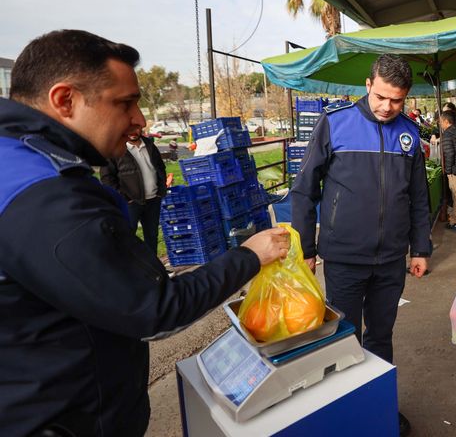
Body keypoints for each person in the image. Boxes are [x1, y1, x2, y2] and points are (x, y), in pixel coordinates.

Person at [0, 30, 288, 437]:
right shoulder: (49, 198)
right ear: (64, 100)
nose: (139, 120)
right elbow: (155, 312)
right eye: (125, 103)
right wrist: (250, 256)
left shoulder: (14, 159)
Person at [290, 53, 432, 436]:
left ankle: (380, 407)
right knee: (344, 338)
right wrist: (306, 247)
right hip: (343, 259)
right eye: (382, 97)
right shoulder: (335, 124)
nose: (388, 107)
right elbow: (304, 190)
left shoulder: (410, 134)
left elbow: (419, 197)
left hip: (390, 261)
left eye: (397, 100)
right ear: (368, 86)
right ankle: (349, 415)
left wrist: (420, 248)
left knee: (381, 337)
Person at [100, 127, 166, 253]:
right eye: (129, 129)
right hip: (131, 203)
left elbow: (160, 167)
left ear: (141, 129)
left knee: (152, 236)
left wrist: (161, 190)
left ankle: (153, 270)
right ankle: (133, 271)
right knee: (127, 237)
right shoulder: (115, 148)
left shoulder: (149, 144)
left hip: (153, 200)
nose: (132, 132)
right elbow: (107, 178)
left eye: (135, 129)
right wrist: (124, 197)